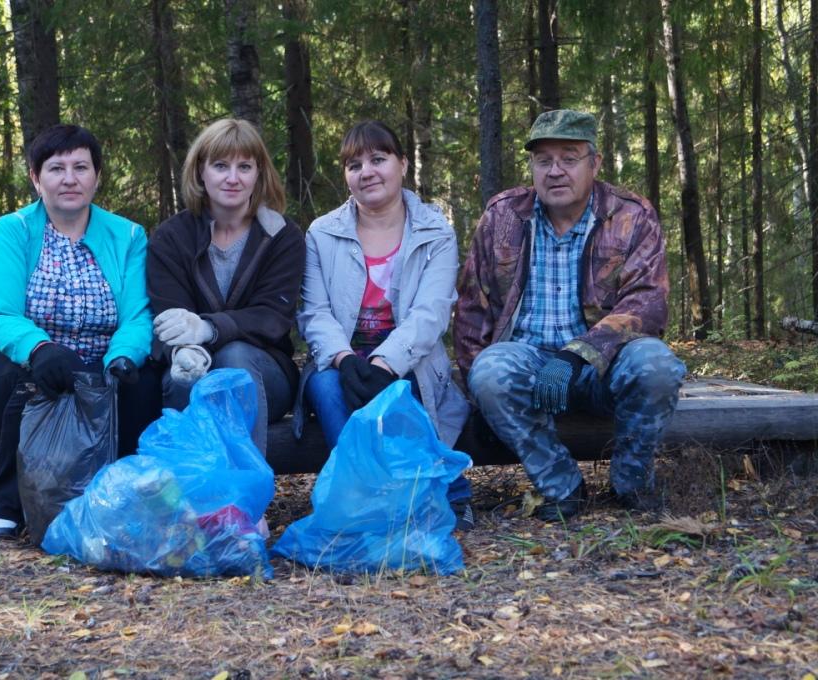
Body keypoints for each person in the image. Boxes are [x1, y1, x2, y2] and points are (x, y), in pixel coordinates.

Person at [454, 109, 686, 521]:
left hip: (605, 364)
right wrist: (479, 396)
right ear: (532, 167)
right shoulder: (503, 216)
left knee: (657, 364)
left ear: (594, 163)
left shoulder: (631, 215)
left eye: (569, 158)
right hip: (527, 360)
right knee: (489, 372)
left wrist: (579, 353)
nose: (555, 171)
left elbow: (647, 303)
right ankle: (561, 485)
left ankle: (631, 483)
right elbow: (474, 308)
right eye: (544, 160)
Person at [0, 124, 162, 540]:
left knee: (145, 384)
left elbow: (139, 315)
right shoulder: (12, 231)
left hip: (99, 369)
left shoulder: (129, 235)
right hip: (16, 363)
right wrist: (41, 348)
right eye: (56, 168)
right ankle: (4, 501)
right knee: (35, 383)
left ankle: (119, 497)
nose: (70, 178)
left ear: (97, 177)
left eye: (81, 167)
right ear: (35, 177)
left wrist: (121, 357)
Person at [296, 120, 473, 530]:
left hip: (411, 359)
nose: (367, 172)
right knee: (327, 386)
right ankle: (367, 498)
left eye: (378, 159)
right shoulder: (321, 234)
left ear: (403, 165)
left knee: (399, 390)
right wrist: (344, 359)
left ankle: (439, 491)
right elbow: (315, 312)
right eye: (354, 164)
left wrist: (384, 364)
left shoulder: (435, 232)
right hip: (340, 358)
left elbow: (431, 313)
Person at [147, 118, 305, 457]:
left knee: (234, 362)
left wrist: (208, 328)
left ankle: (245, 503)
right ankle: (190, 502)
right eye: (221, 166)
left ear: (258, 174)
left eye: (244, 167)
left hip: (264, 375)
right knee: (185, 378)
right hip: (189, 367)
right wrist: (188, 350)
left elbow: (271, 317)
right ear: (200, 172)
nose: (233, 178)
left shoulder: (282, 236)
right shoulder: (171, 238)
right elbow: (168, 316)